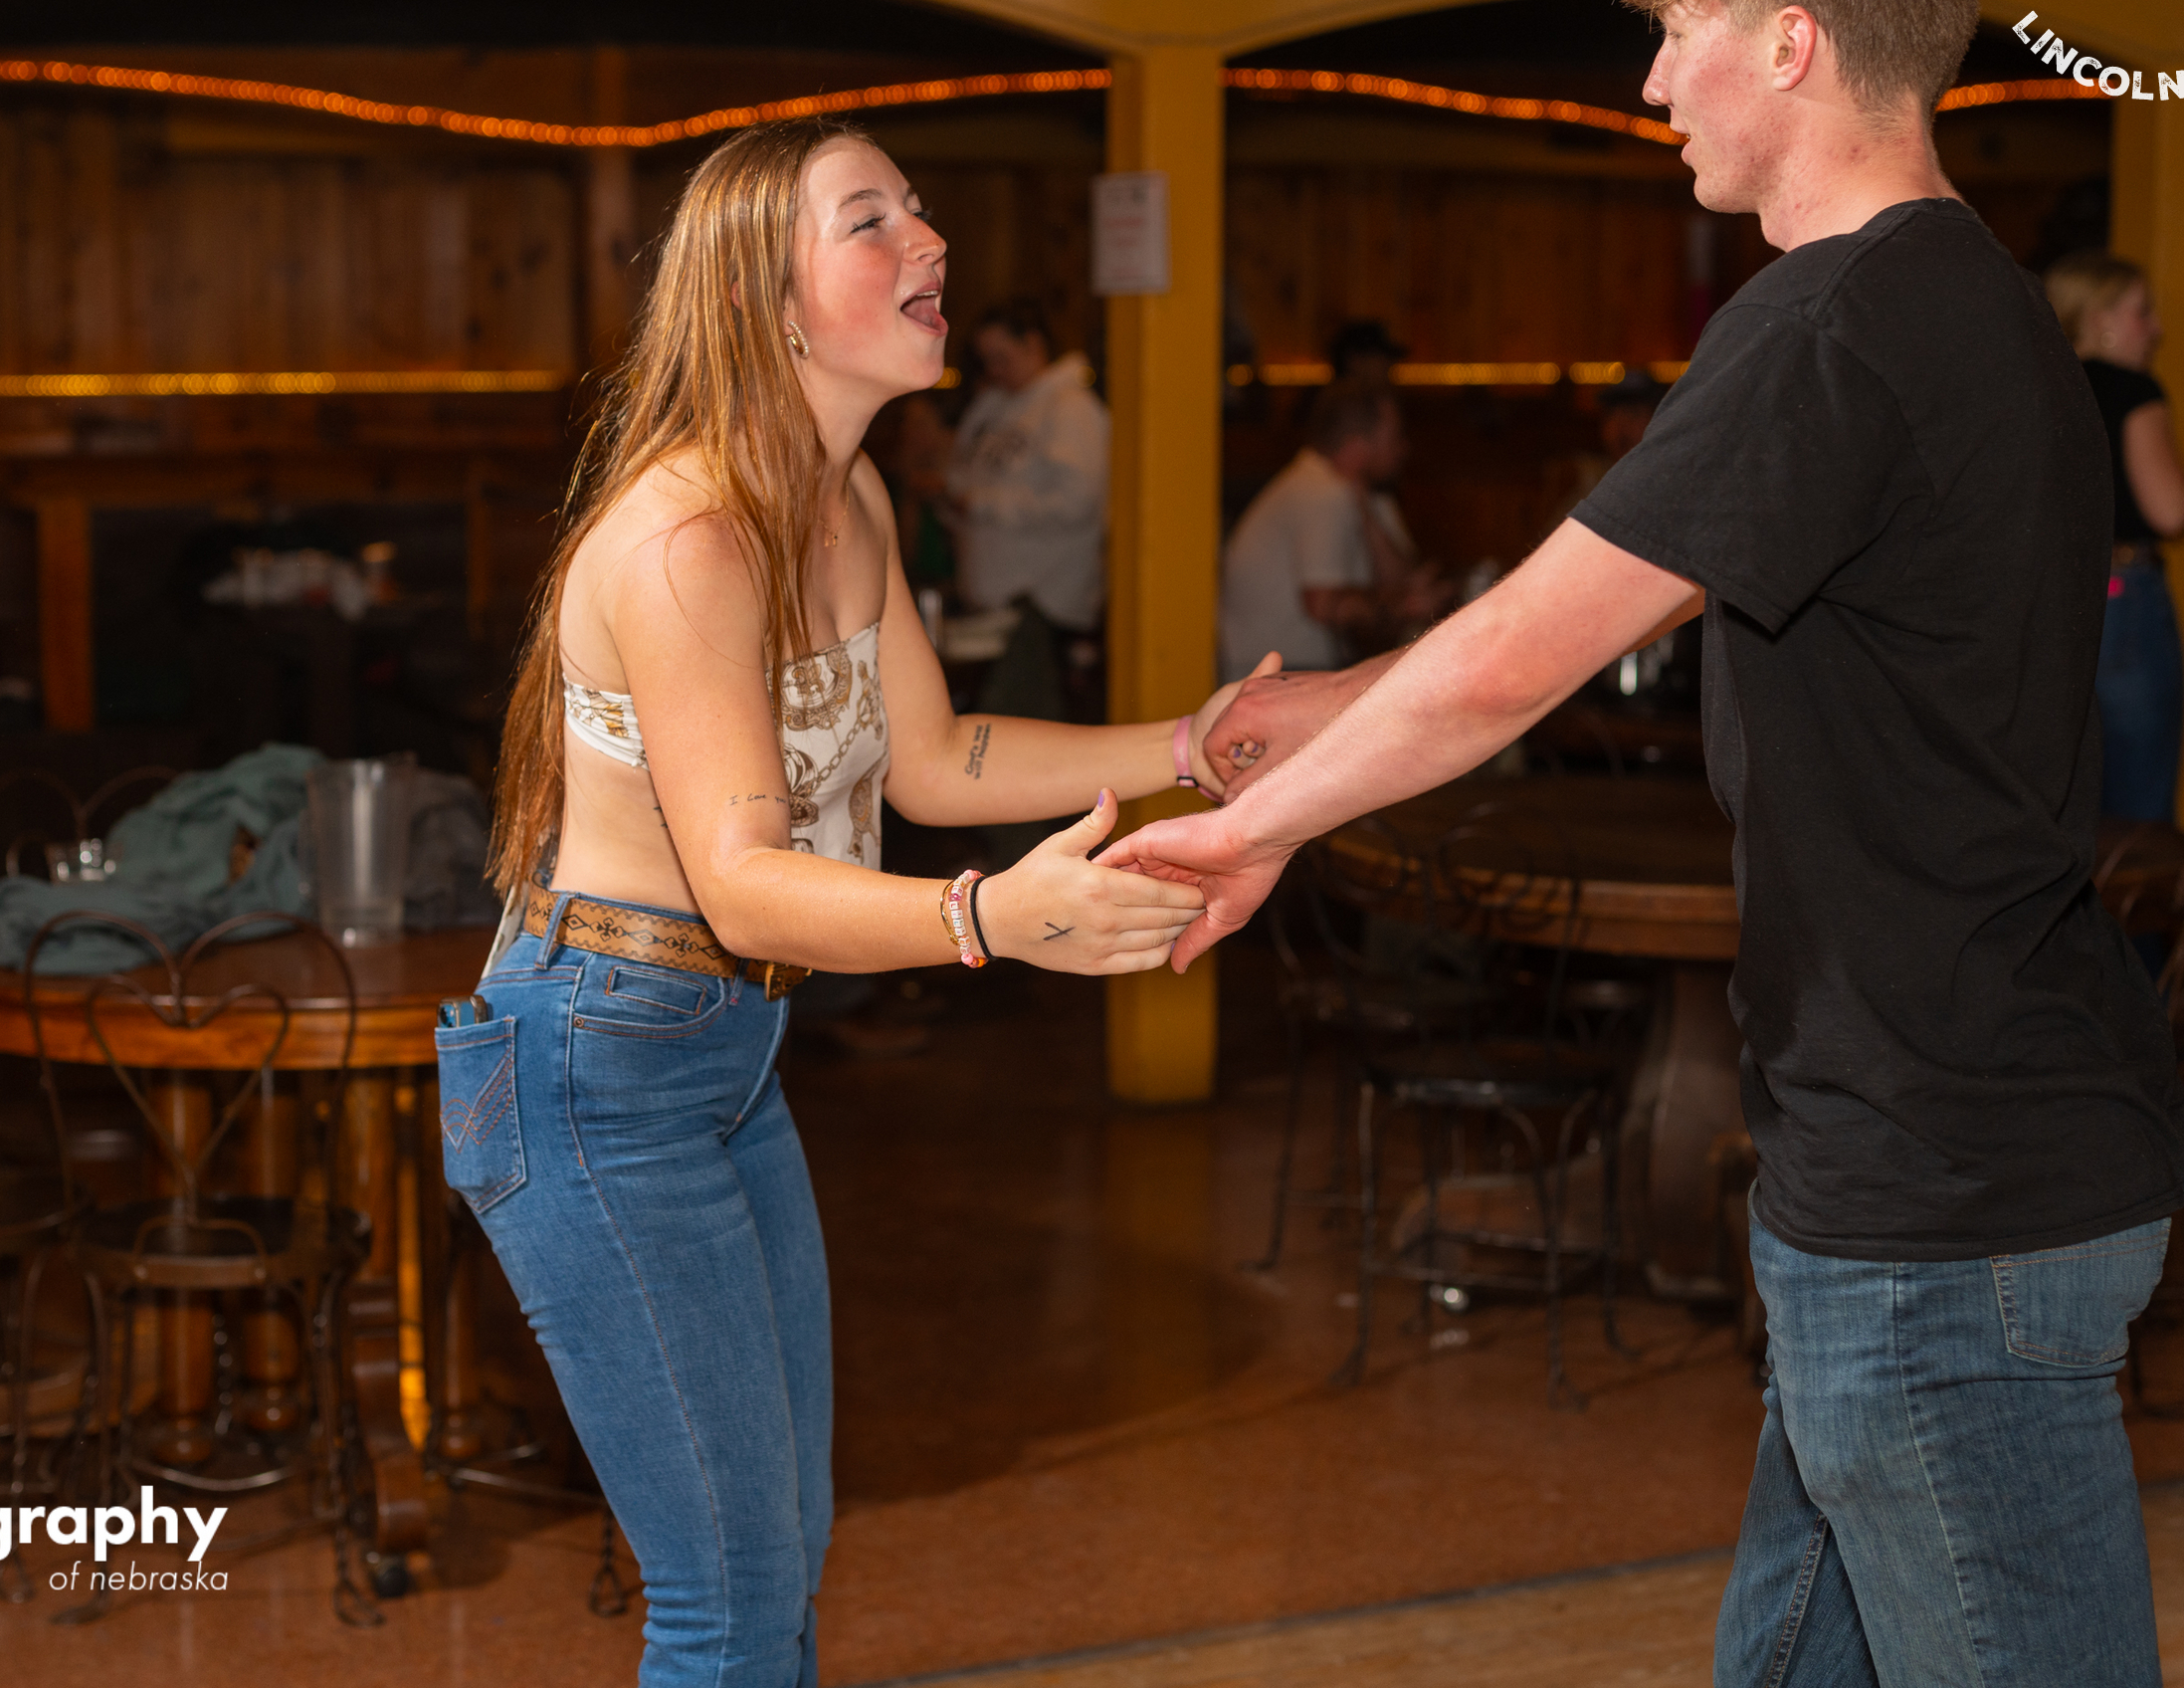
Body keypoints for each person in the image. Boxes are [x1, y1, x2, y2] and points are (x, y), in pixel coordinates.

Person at [1123, 0, 2184, 1688]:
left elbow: (1511, 666)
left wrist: (1256, 828)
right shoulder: (1971, 302)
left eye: (1678, 27)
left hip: (1946, 1202)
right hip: (1934, 1161)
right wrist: (1335, 708)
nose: (1649, 82)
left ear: (1791, 40)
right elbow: (1580, 616)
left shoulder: (1831, 321)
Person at [459, 117, 1258, 1688]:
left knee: (781, 1556)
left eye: (921, 211)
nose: (930, 242)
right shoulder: (690, 538)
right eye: (870, 220)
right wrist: (990, 921)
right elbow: (749, 889)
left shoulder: (849, 499)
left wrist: (1190, 747)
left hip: (721, 1056)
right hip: (595, 1069)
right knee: (728, 1600)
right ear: (762, 301)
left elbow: (935, 759)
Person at [2046, 251, 2184, 822]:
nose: (2156, 329)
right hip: (2121, 599)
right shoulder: (2131, 391)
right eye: (2142, 312)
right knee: (2139, 807)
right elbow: (2171, 511)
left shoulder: (2040, 383)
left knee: (2066, 801)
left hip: (2051, 599)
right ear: (2099, 318)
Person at [947, 298, 1111, 721]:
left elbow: (1077, 502)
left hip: (1041, 611)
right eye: (986, 361)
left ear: (1034, 344)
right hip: (993, 607)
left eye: (1001, 357)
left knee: (1026, 723)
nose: (994, 370)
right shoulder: (995, 406)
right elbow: (964, 476)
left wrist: (981, 504)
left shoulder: (1071, 408)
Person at [1217, 376, 1446, 680]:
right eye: (1394, 436)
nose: (1404, 447)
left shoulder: (1361, 494)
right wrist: (1401, 605)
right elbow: (1323, 605)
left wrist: (1366, 514)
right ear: (1359, 445)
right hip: (1271, 672)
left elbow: (1403, 578)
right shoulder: (1319, 492)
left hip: (1295, 667)